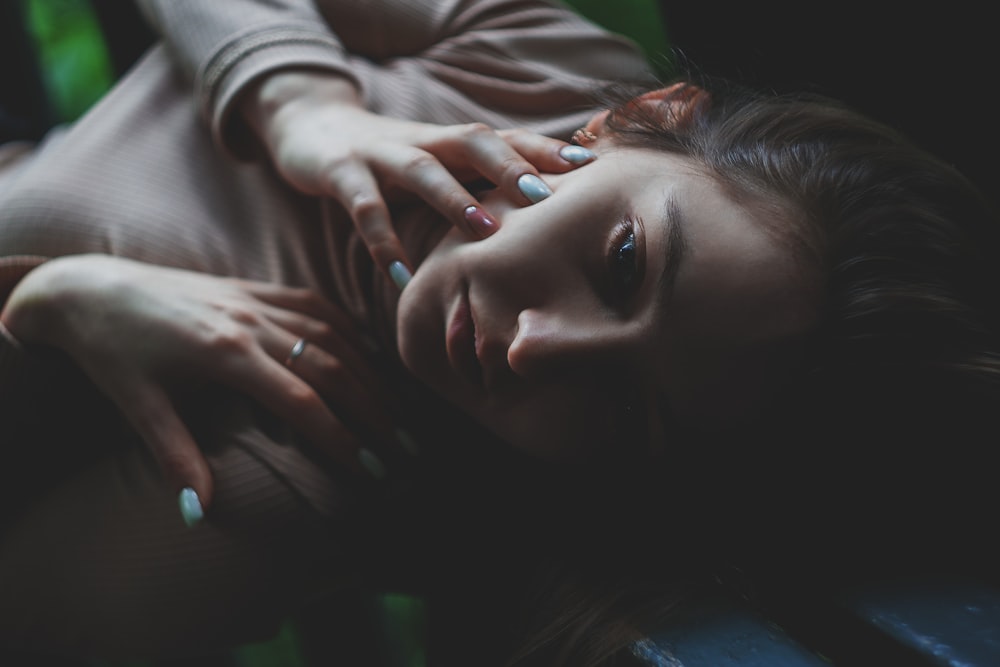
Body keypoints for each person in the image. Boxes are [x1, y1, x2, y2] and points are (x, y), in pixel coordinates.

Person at [1, 0, 997, 665]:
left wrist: (47, 309)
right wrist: (303, 105)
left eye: (622, 408)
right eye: (622, 263)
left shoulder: (298, 462)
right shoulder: (541, 71)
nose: (537, 350)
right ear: (644, 113)